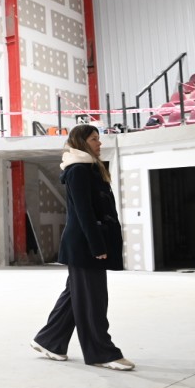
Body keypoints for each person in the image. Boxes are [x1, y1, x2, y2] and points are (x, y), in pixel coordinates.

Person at [30, 124, 135, 371]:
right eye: (94, 139)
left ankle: (49, 341)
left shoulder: (89, 168)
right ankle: (101, 352)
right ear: (81, 142)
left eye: (99, 138)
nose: (100, 143)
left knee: (76, 295)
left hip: (86, 243)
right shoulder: (78, 170)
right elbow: (83, 213)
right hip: (85, 246)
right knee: (93, 300)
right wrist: (97, 246)